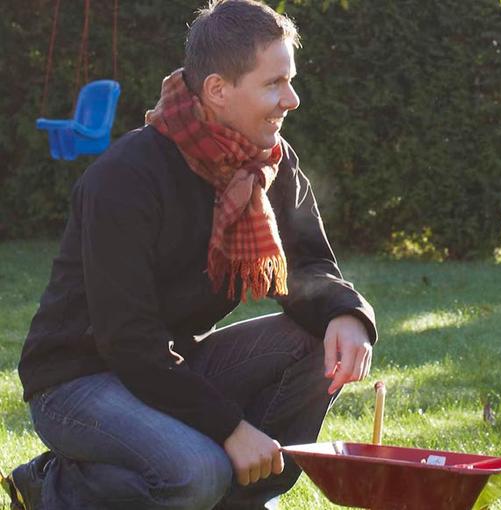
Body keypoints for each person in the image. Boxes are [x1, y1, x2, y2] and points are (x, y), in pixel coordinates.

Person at [1, 1, 377, 509]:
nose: (292, 99)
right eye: (274, 83)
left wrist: (347, 313)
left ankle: (240, 501)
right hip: (76, 380)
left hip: (172, 365)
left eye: (289, 80)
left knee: (313, 341)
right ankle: (56, 487)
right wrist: (228, 428)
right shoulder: (125, 177)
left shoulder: (267, 161)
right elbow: (128, 340)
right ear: (218, 90)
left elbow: (307, 266)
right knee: (198, 471)